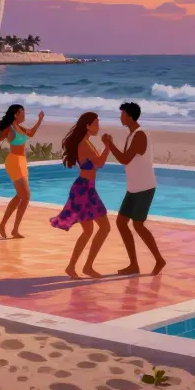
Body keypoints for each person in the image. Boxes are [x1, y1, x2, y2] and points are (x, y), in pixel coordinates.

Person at [102, 102, 166, 276]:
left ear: (129, 116)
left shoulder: (139, 135)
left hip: (144, 187)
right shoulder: (131, 135)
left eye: (122, 114)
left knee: (138, 225)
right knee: (121, 223)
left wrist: (109, 143)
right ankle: (134, 264)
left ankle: (159, 259)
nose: (120, 117)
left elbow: (124, 159)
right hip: (134, 188)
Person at [50, 112, 111, 279]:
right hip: (84, 190)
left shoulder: (87, 142)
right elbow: (99, 163)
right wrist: (107, 145)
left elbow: (97, 163)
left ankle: (78, 266)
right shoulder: (84, 144)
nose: (98, 126)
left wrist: (106, 146)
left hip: (87, 189)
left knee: (93, 230)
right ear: (88, 126)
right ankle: (83, 266)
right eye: (96, 123)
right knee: (100, 228)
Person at [0, 105, 43, 239]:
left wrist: (40, 120)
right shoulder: (10, 127)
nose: (24, 115)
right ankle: (11, 228)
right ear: (16, 114)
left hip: (22, 161)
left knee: (21, 196)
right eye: (22, 113)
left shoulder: (20, 127)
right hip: (14, 161)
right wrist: (1, 130)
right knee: (25, 196)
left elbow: (31, 133)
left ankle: (5, 226)